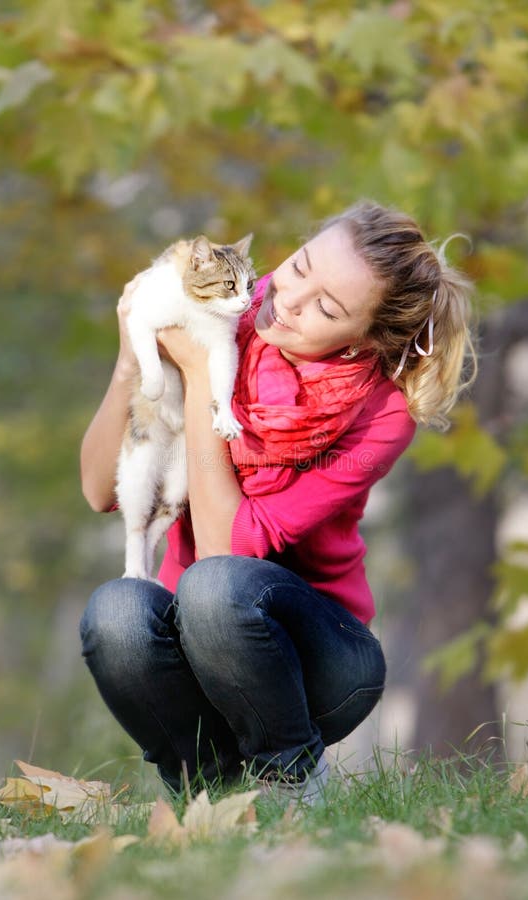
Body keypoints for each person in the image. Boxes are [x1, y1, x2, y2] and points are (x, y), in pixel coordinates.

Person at [79, 200, 475, 803]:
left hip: (322, 660)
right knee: (116, 613)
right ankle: (209, 800)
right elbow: (100, 490)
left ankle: (293, 781)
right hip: (199, 637)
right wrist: (133, 358)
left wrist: (201, 383)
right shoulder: (217, 309)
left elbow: (225, 550)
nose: (287, 300)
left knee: (216, 588)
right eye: (299, 266)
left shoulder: (381, 416)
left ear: (362, 340)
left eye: (326, 307)